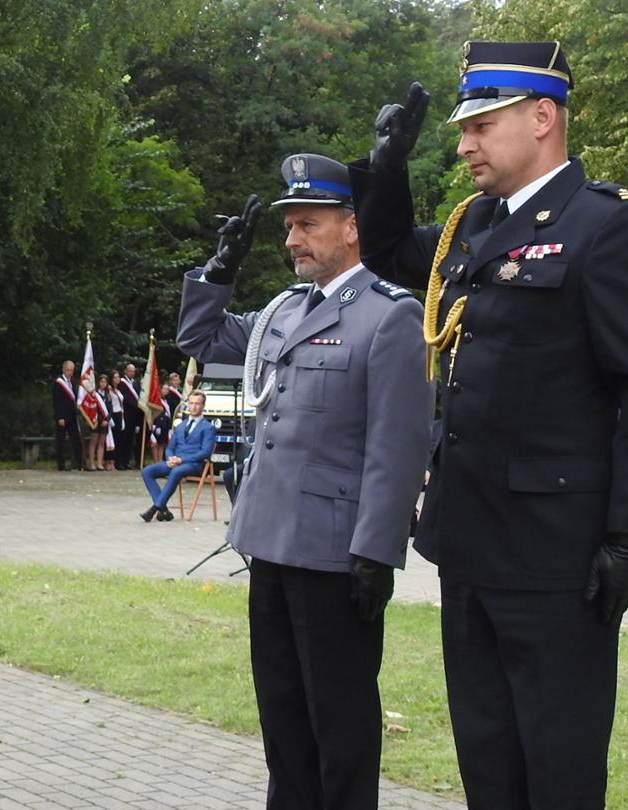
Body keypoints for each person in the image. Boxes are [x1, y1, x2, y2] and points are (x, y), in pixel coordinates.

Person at [352, 41, 628, 807]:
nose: (464, 142)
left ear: (543, 117)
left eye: (481, 124)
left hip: (555, 556)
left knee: (557, 772)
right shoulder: (474, 224)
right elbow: (392, 254)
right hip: (468, 543)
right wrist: (387, 170)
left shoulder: (607, 226)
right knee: (489, 766)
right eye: (462, 127)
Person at [178, 152, 430, 809]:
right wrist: (218, 270)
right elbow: (202, 340)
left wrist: (377, 550)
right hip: (269, 541)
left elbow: (396, 445)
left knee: (340, 726)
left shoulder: (390, 314)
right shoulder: (283, 313)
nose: (292, 238)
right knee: (283, 719)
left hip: (335, 552)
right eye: (288, 226)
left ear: (351, 227)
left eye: (307, 224)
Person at [138, 392, 218, 522]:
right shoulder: (180, 425)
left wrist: (181, 460)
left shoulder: (208, 428)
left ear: (203, 406)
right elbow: (170, 447)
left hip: (195, 464)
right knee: (147, 471)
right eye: (191, 403)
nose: (194, 407)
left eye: (197, 404)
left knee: (176, 472)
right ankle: (163, 509)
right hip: (176, 462)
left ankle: (154, 509)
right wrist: (170, 458)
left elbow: (205, 452)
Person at [51, 360, 85, 472]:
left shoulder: (73, 382)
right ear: (63, 370)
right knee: (60, 441)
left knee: (76, 441)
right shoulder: (58, 383)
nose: (70, 372)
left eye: (72, 370)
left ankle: (79, 464)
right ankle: (61, 465)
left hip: (72, 416)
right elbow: (56, 401)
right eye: (68, 370)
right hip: (62, 417)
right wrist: (59, 417)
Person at [115, 363, 143, 471]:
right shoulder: (122, 383)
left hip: (134, 416)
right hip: (126, 413)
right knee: (123, 438)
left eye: (133, 371)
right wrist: (136, 405)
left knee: (130, 439)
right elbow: (125, 398)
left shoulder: (135, 383)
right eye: (130, 371)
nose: (132, 373)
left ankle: (126, 461)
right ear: (126, 371)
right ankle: (119, 461)